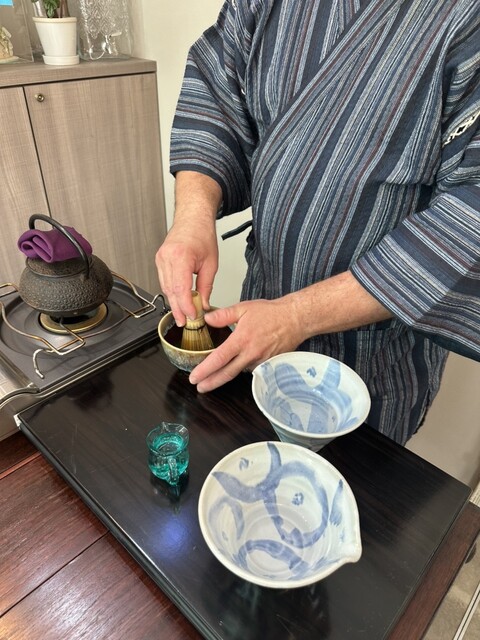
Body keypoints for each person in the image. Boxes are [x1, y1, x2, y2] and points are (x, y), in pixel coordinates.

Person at [156, 0, 480, 445]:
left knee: (350, 480)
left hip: (373, 355)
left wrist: (298, 315)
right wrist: (192, 216)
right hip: (260, 316)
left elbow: (471, 213)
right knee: (254, 454)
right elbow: (216, 89)